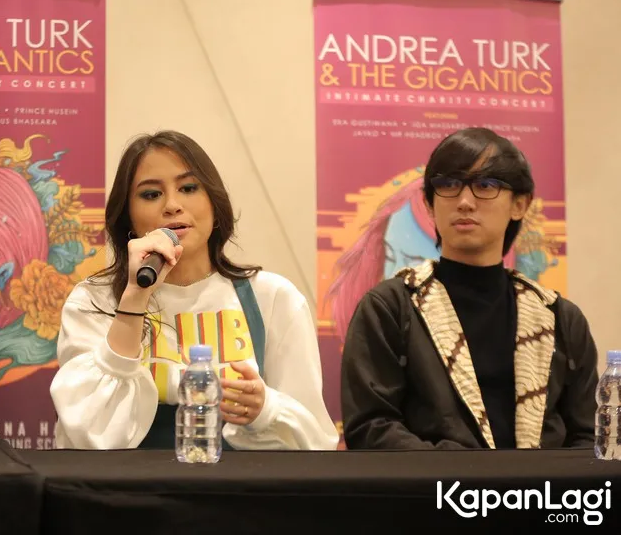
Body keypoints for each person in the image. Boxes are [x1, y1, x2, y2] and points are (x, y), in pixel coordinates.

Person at [50, 130, 339, 450]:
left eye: (188, 188)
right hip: (127, 481)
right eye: (151, 194)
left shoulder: (273, 299)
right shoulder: (93, 301)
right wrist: (134, 297)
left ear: (214, 203)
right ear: (128, 216)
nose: (172, 206)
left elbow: (317, 442)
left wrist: (265, 410)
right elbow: (85, 436)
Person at [340, 127, 598, 450]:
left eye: (485, 185)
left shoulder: (561, 319)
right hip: (431, 484)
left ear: (519, 205)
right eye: (448, 185)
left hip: (542, 484)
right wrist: (468, 475)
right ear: (430, 204)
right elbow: (370, 428)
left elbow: (589, 438)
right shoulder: (390, 308)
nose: (464, 202)